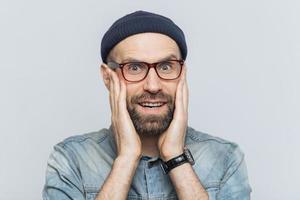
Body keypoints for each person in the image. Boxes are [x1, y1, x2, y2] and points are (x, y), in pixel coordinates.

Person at [43, 10, 252, 200]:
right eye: (134, 68)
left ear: (182, 74)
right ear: (108, 78)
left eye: (166, 66)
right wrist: (126, 159)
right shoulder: (71, 160)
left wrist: (176, 158)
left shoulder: (224, 158)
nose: (153, 86)